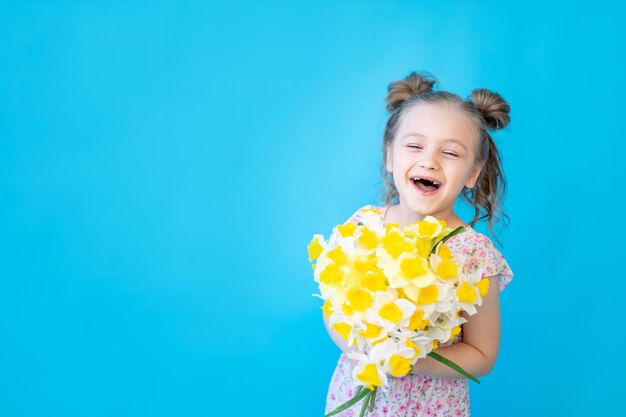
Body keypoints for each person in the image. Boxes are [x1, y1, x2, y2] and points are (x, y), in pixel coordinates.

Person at [323, 71, 514, 417]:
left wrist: (409, 360)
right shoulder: (364, 226)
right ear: (390, 156)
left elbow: (482, 355)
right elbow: (334, 310)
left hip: (430, 408)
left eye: (451, 153)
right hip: (353, 400)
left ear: (473, 173)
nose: (429, 161)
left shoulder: (475, 256)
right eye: (414, 146)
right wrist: (361, 350)